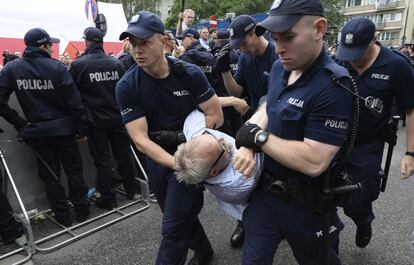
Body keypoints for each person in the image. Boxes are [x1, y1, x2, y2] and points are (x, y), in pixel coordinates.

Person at [233, 0, 353, 263]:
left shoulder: (333, 86)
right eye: (275, 39)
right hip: (266, 193)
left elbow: (314, 160)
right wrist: (250, 137)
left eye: (287, 37)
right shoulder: (280, 67)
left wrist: (258, 138)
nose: (279, 48)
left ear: (319, 28)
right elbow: (269, 106)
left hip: (306, 204)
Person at [115, 11, 223, 265]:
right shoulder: (127, 85)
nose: (137, 50)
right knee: (177, 214)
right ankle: (204, 250)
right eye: (132, 43)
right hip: (159, 160)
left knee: (173, 226)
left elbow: (215, 114)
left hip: (192, 153)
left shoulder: (189, 73)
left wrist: (193, 154)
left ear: (164, 41)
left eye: (144, 42)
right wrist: (177, 164)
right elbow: (140, 140)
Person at [334, 17, 414, 248]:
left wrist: (410, 153)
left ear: (374, 40)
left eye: (358, 51)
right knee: (324, 193)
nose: (352, 58)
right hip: (335, 137)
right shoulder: (340, 59)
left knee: (357, 199)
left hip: (368, 142)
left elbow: (410, 110)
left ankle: (363, 221)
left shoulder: (397, 65)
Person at [0, 28, 90, 226]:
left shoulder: (12, 69)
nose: (52, 49)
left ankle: (63, 217)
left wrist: (20, 123)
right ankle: (82, 212)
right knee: (74, 172)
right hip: (64, 131)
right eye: (51, 45)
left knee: (50, 175)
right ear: (43, 46)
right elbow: (75, 103)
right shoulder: (56, 68)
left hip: (37, 133)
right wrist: (81, 129)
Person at [69, 27, 141, 209]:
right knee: (123, 155)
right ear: (101, 43)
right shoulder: (114, 63)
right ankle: (132, 190)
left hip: (95, 121)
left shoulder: (79, 64)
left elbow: (73, 95)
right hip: (117, 117)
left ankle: (109, 198)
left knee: (102, 160)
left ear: (87, 42)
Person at [174, 110, 263, 221]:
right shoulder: (240, 179)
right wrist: (247, 146)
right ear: (214, 172)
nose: (221, 139)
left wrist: (228, 102)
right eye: (221, 146)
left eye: (209, 134)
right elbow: (257, 132)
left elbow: (198, 108)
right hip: (251, 201)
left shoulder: (197, 136)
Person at [216, 15, 278, 112]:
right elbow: (236, 93)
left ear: (254, 32)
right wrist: (225, 71)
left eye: (243, 43)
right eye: (238, 46)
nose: (242, 49)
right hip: (256, 116)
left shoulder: (277, 56)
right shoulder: (244, 57)